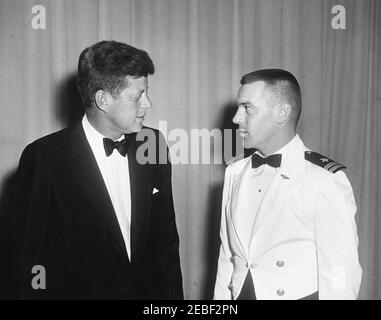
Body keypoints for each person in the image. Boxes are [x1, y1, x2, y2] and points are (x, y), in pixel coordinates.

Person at [1, 40, 183, 299]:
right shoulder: (44, 157)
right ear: (103, 100)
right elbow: (25, 261)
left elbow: (166, 245)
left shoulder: (152, 144)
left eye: (146, 92)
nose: (148, 104)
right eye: (137, 96)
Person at [213, 69, 362, 300]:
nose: (236, 118)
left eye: (247, 108)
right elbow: (228, 257)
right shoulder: (234, 172)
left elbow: (340, 273)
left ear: (281, 113)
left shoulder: (323, 180)